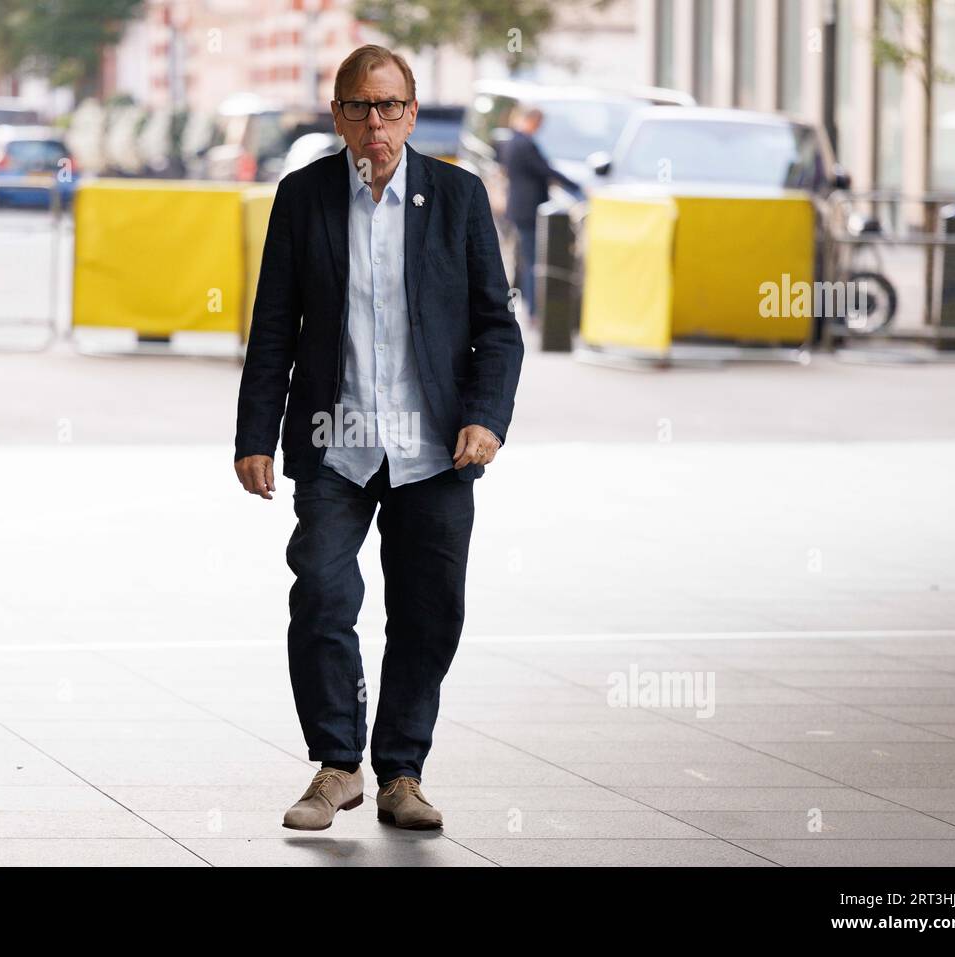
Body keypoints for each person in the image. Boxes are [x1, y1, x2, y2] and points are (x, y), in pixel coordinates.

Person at [233, 44, 524, 831]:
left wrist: (485, 417)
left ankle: (402, 771)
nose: (375, 123)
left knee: (429, 611)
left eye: (390, 106)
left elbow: (498, 328)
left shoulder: (458, 198)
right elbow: (274, 326)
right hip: (337, 440)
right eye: (359, 106)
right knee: (322, 594)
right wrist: (255, 433)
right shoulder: (303, 197)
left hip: (435, 449)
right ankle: (337, 764)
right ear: (337, 115)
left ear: (412, 113)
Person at [500, 106, 581, 323]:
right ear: (532, 120)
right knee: (534, 262)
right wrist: (576, 187)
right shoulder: (524, 144)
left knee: (528, 260)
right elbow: (545, 170)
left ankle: (533, 309)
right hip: (529, 210)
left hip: (520, 209)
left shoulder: (512, 141)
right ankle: (535, 311)